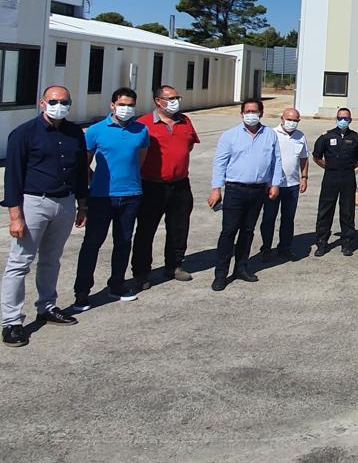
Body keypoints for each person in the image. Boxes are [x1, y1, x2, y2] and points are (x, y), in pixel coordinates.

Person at [2, 87, 88, 347]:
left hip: (65, 203)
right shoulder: (23, 134)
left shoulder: (74, 133)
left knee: (51, 259)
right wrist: (15, 215)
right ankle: (11, 322)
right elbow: (13, 176)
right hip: (33, 204)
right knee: (20, 263)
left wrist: (82, 204)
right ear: (42, 103)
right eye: (54, 101)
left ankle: (47, 306)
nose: (59, 105)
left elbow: (81, 171)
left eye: (65, 102)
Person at [73, 87, 150, 309]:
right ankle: (82, 292)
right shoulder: (96, 131)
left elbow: (140, 160)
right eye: (122, 104)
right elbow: (84, 164)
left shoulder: (141, 130)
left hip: (131, 195)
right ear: (112, 105)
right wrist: (94, 182)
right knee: (92, 244)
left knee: (124, 242)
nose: (127, 109)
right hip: (101, 197)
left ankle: (117, 285)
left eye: (131, 105)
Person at [207, 99, 282, 291]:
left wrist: (275, 184)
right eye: (247, 111)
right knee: (229, 232)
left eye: (254, 111)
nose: (251, 114)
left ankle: (241, 267)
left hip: (258, 190)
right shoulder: (229, 136)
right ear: (241, 114)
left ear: (261, 113)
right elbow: (220, 163)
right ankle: (221, 274)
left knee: (248, 231)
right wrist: (216, 188)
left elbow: (276, 161)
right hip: (235, 190)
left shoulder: (270, 135)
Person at [131, 85, 199, 291]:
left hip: (179, 185)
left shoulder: (185, 121)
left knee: (179, 228)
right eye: (170, 98)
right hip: (152, 185)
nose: (175, 101)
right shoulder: (142, 124)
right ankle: (141, 272)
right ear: (157, 101)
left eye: (176, 97)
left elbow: (188, 145)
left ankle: (174, 266)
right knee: (146, 230)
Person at [312, 108, 358, 257]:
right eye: (340, 118)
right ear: (336, 118)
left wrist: (349, 168)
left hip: (348, 177)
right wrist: (328, 167)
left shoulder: (356, 138)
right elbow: (317, 156)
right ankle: (322, 243)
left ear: (350, 120)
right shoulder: (326, 137)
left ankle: (347, 242)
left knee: (347, 210)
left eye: (346, 118)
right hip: (330, 177)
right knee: (325, 210)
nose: (343, 121)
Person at [260, 107, 308, 261]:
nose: (292, 123)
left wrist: (304, 177)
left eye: (295, 120)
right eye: (289, 119)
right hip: (273, 185)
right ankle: (266, 249)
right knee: (269, 218)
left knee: (288, 218)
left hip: (292, 185)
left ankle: (285, 248)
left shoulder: (300, 136)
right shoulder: (271, 134)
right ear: (282, 119)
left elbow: (304, 158)